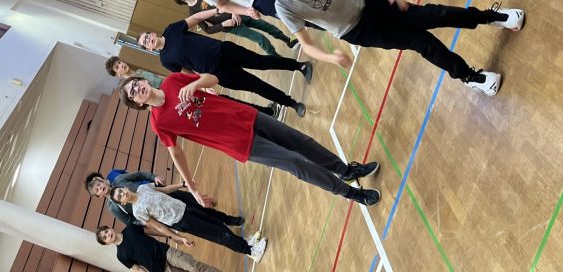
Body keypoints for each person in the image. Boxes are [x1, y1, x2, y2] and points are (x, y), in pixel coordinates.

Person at [245, 0, 524, 95]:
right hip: (360, 31)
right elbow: (306, 44)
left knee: (434, 15)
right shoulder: (283, 6)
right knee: (422, 43)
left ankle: (490, 17)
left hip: (373, 3)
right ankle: (468, 77)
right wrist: (331, 57)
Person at [120, 74, 381, 208]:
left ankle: (346, 170)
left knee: (302, 141)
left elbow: (213, 79)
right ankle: (350, 193)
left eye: (136, 84)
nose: (137, 89)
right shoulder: (158, 123)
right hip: (238, 143)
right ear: (137, 103)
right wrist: (193, 189)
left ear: (143, 80)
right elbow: (176, 153)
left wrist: (196, 83)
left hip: (246, 116)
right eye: (133, 94)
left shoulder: (173, 81)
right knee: (295, 163)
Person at [137, 10, 312, 116]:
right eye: (145, 43)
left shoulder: (171, 30)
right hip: (217, 73)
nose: (147, 41)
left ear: (152, 34)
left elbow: (195, 19)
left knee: (263, 62)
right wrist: (203, 85)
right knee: (256, 86)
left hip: (224, 50)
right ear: (149, 48)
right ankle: (292, 103)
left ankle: (300, 66)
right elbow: (187, 73)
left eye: (146, 37)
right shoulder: (165, 60)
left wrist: (216, 10)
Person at [109, 184, 264, 261]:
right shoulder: (137, 212)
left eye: (121, 191)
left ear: (125, 188)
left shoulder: (143, 188)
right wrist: (178, 237)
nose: (123, 194)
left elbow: (165, 190)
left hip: (185, 207)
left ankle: (246, 244)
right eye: (120, 196)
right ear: (122, 203)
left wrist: (182, 184)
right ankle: (251, 251)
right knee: (218, 234)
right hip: (182, 221)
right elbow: (158, 226)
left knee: (218, 224)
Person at [104, 55, 282, 118]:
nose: (121, 66)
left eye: (119, 63)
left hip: (185, 92)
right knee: (228, 110)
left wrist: (201, 87)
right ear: (117, 74)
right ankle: (264, 116)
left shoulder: (140, 73)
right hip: (180, 103)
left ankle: (266, 113)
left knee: (228, 101)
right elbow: (151, 108)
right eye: (117, 67)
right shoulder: (130, 93)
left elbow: (166, 79)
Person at [169, 0, 298, 50]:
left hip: (238, 13)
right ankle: (277, 59)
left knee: (266, 26)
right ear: (179, 0)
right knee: (260, 39)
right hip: (232, 26)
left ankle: (288, 40)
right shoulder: (192, 13)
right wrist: (223, 25)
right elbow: (207, 30)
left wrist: (234, 11)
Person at [96, 223, 226, 272]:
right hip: (160, 269)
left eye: (106, 231)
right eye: (105, 237)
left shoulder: (130, 229)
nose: (108, 235)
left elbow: (153, 231)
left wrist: (173, 236)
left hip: (167, 253)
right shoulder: (121, 255)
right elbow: (137, 269)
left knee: (195, 268)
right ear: (106, 243)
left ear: (110, 228)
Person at [86, 170, 166, 225]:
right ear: (99, 196)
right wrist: (146, 222)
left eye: (99, 184)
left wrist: (154, 177)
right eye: (97, 190)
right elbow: (129, 221)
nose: (100, 187)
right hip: (156, 214)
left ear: (102, 182)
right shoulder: (112, 207)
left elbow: (138, 175)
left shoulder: (119, 179)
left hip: (158, 193)